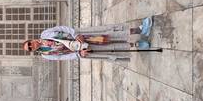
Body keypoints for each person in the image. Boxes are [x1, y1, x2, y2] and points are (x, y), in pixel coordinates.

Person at [22, 18, 153, 60]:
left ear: (31, 40)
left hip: (81, 37)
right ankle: (138, 44)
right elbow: (62, 57)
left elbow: (62, 28)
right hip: (81, 50)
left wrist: (75, 34)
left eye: (29, 44)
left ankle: (139, 30)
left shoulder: (45, 34)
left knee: (108, 35)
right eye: (29, 49)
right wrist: (79, 54)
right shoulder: (45, 54)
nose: (31, 46)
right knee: (109, 48)